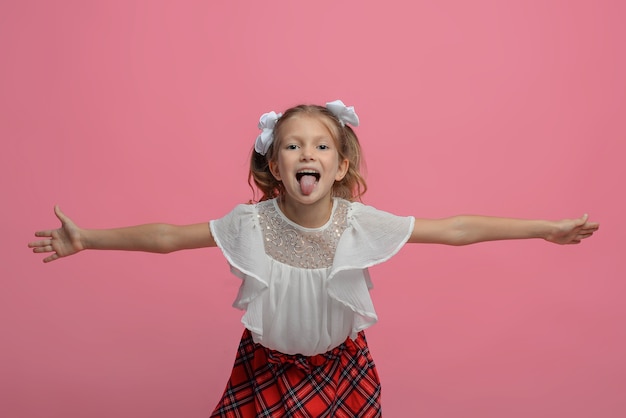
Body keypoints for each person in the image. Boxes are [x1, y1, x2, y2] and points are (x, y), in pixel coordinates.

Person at [29, 100, 599, 417]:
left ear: (341, 166)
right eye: (293, 145)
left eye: (322, 145)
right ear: (275, 166)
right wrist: (90, 238)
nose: (308, 153)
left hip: (341, 369)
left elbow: (455, 230)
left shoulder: (359, 223)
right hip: (264, 369)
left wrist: (546, 229)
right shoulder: (248, 224)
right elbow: (168, 237)